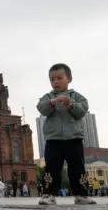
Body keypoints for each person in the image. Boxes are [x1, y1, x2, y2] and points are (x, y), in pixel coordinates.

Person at [36, 63, 96, 205]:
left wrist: (70, 105)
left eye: (59, 78)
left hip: (73, 138)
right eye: (52, 79)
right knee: (52, 168)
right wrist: (53, 102)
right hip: (54, 139)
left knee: (77, 167)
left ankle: (81, 195)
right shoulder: (48, 97)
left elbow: (82, 111)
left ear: (69, 79)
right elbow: (42, 108)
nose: (55, 82)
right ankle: (49, 194)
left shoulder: (77, 96)